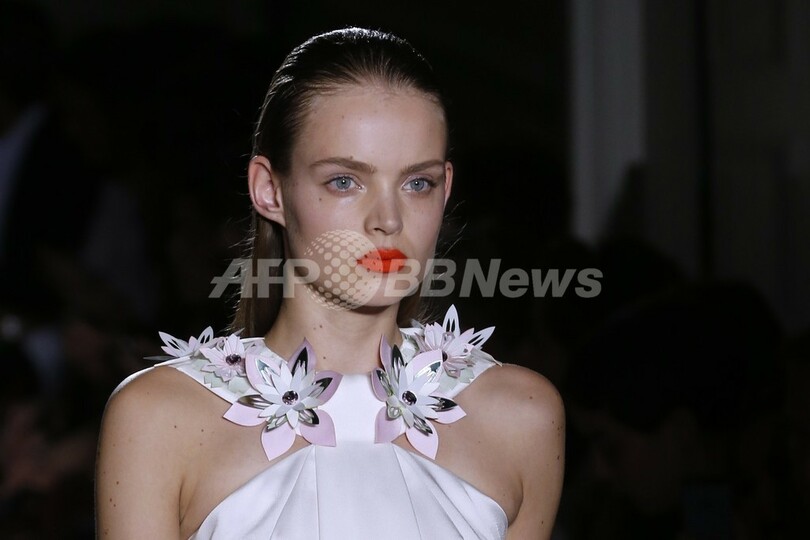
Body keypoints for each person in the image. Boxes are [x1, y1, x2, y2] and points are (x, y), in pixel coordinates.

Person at [95, 27, 564, 539]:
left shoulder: (522, 418)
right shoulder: (161, 420)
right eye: (345, 181)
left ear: (445, 188)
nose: (388, 220)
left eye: (417, 183)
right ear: (270, 191)